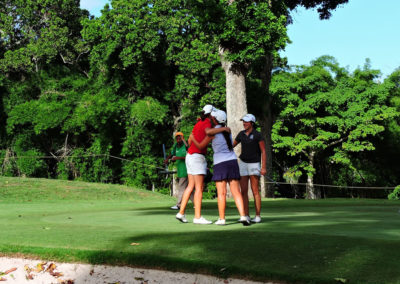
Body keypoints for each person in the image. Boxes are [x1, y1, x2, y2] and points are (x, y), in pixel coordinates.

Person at [190, 109, 251, 226]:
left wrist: (194, 135)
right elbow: (217, 129)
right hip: (232, 161)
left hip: (220, 163)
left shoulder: (213, 133)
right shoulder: (227, 130)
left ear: (214, 119)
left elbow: (207, 133)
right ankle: (243, 216)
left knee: (221, 193)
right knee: (236, 192)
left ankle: (222, 219)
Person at [175, 105, 215, 224]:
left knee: (190, 186)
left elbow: (189, 141)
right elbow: (202, 143)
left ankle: (181, 212)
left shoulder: (198, 123)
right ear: (211, 115)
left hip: (190, 156)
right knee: (199, 188)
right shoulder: (207, 124)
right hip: (197, 156)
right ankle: (197, 217)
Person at [233, 114, 267, 223]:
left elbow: (263, 151)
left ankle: (257, 216)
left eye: (246, 122)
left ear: (252, 123)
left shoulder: (257, 135)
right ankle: (246, 215)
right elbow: (231, 146)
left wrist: (263, 167)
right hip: (243, 163)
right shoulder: (241, 134)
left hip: (254, 164)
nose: (244, 123)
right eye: (243, 121)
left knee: (255, 190)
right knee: (243, 191)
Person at [164, 132, 193, 210]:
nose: (178, 139)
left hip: (186, 170)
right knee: (188, 189)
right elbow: (172, 154)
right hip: (180, 170)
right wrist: (168, 159)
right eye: (177, 138)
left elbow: (189, 157)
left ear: (183, 138)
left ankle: (179, 205)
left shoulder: (186, 146)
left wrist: (178, 158)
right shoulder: (175, 146)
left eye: (180, 138)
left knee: (182, 188)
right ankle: (196, 203)